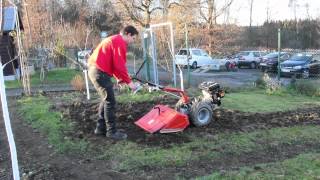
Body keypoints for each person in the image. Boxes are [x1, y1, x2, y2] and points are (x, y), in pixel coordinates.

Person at [88, 25, 139, 140]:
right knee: (110, 101)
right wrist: (130, 83)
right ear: (128, 34)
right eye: (134, 38)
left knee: (106, 100)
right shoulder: (119, 41)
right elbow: (120, 65)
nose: (133, 41)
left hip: (96, 70)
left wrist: (119, 79)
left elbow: (113, 63)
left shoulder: (114, 39)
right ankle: (111, 132)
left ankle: (100, 128)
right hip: (99, 72)